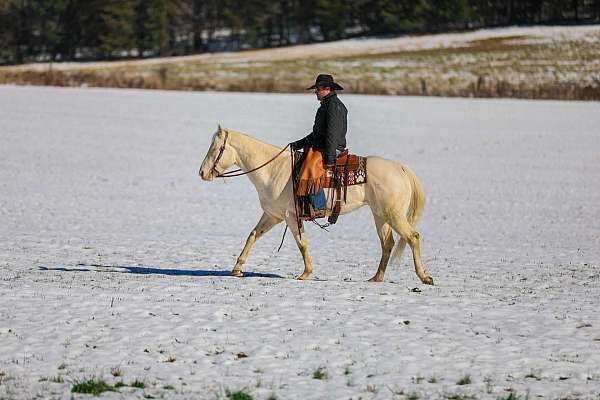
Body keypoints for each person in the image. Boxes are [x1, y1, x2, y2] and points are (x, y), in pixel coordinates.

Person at [291, 74, 348, 212]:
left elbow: (332, 134)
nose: (315, 92)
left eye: (318, 89)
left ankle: (319, 206)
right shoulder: (326, 105)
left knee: (310, 168)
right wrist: (299, 143)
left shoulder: (333, 107)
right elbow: (318, 134)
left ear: (327, 89)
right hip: (325, 146)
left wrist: (329, 157)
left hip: (331, 148)